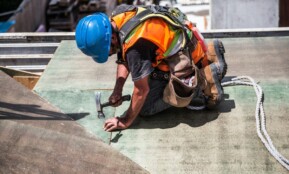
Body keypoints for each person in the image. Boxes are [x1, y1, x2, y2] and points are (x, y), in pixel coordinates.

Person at [75, 4, 227, 132]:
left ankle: (203, 81)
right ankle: (211, 53)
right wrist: (118, 89)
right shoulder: (118, 15)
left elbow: (141, 90)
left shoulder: (136, 46)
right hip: (183, 40)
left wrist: (125, 121)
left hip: (185, 57)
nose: (108, 55)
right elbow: (123, 55)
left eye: (106, 51)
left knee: (145, 108)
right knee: (143, 75)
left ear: (112, 38)